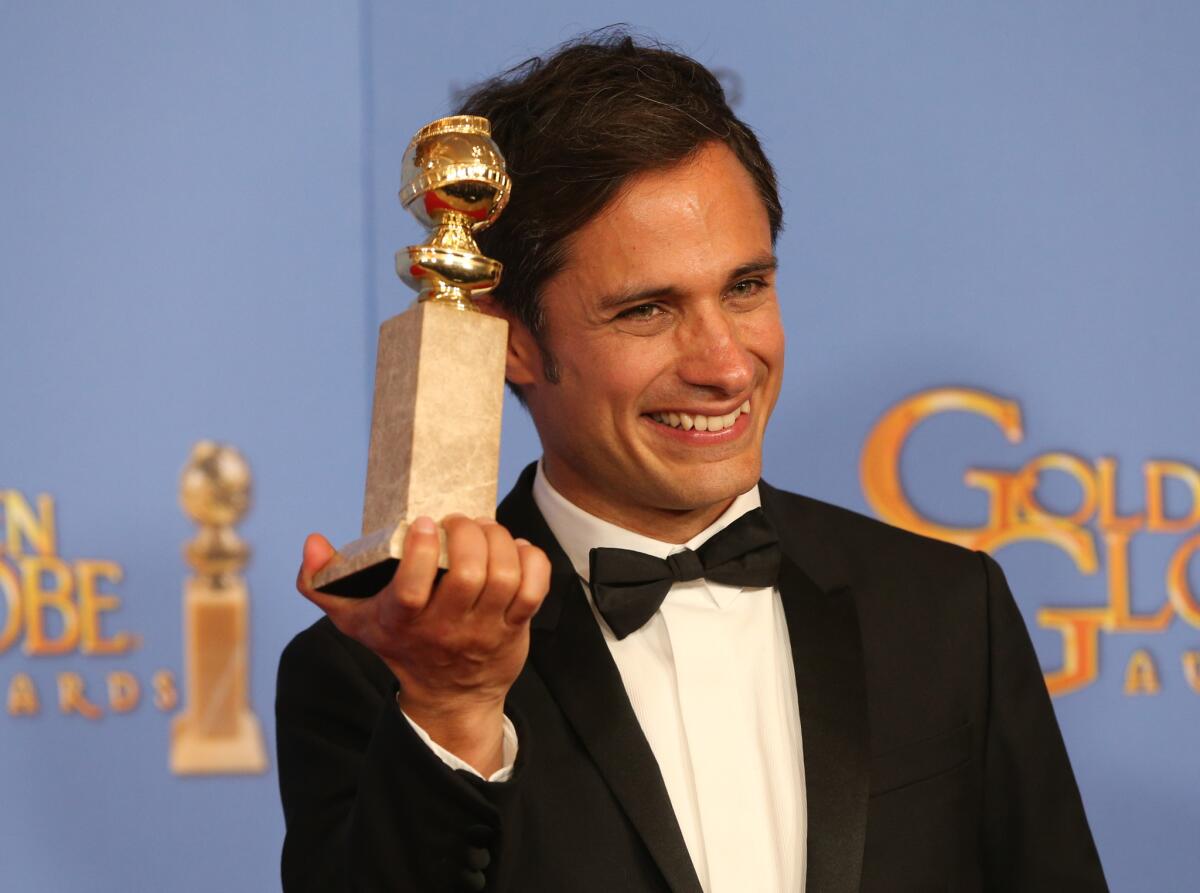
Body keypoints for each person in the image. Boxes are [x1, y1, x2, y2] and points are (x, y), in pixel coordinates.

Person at [276, 31, 1108, 893]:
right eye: (646, 310)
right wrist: (453, 711)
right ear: (511, 341)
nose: (725, 363)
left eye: (746, 287)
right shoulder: (377, 672)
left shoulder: (945, 613)